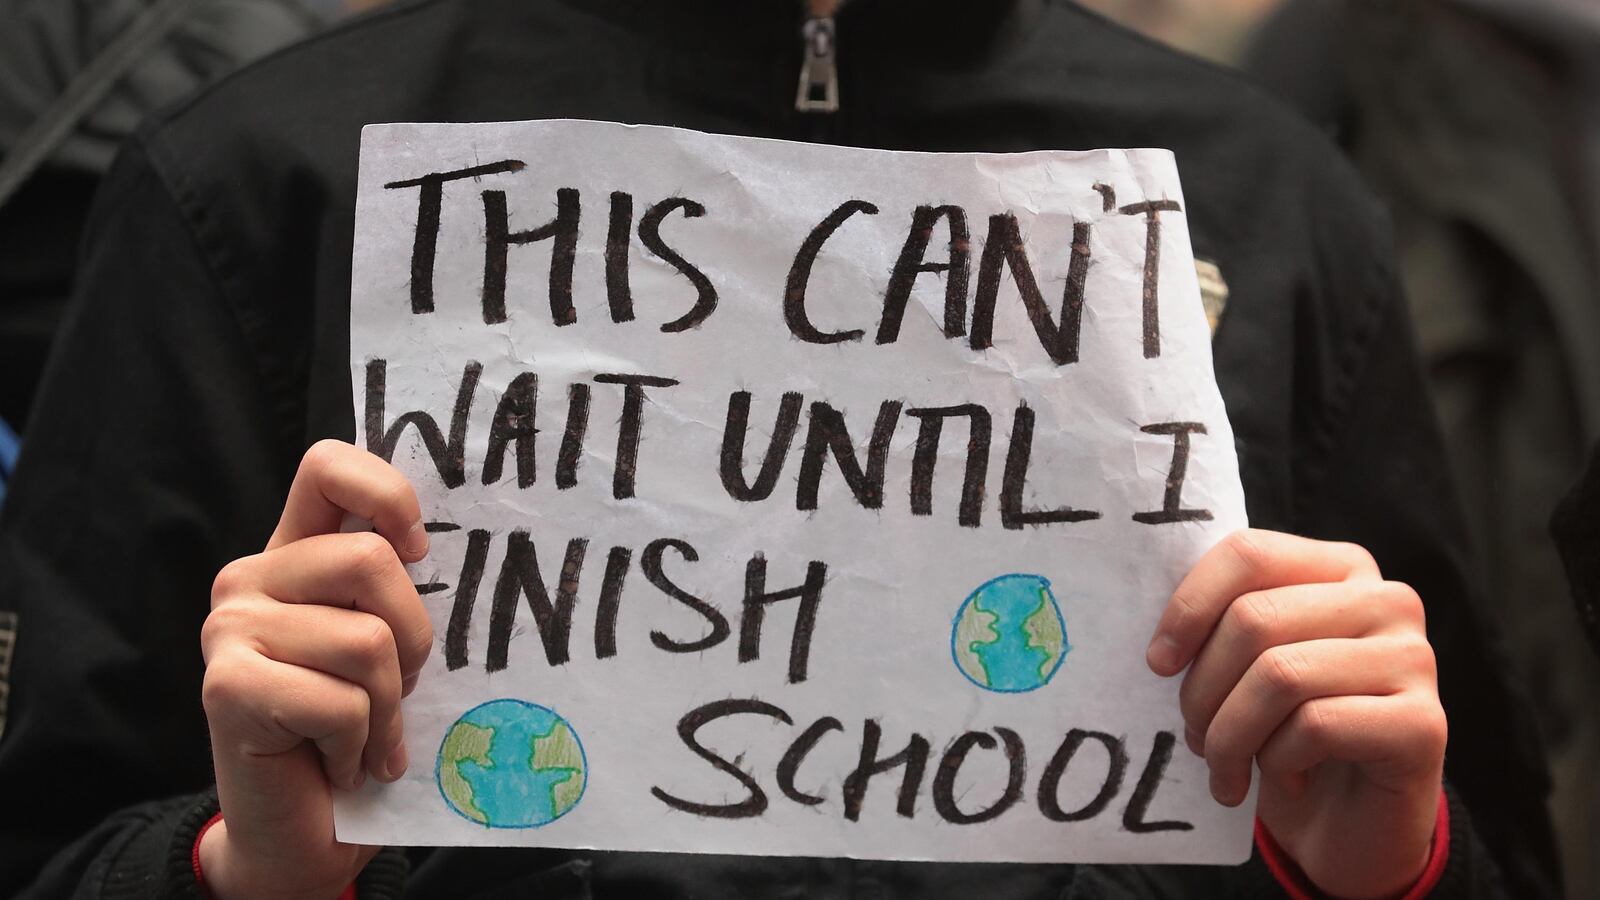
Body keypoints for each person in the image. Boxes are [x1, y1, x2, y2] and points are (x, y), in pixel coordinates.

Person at [0, 0, 1555, 897]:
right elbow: (56, 837)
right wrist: (240, 867)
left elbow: (1468, 838)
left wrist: (1383, 870)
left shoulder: (1266, 198)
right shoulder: (260, 186)